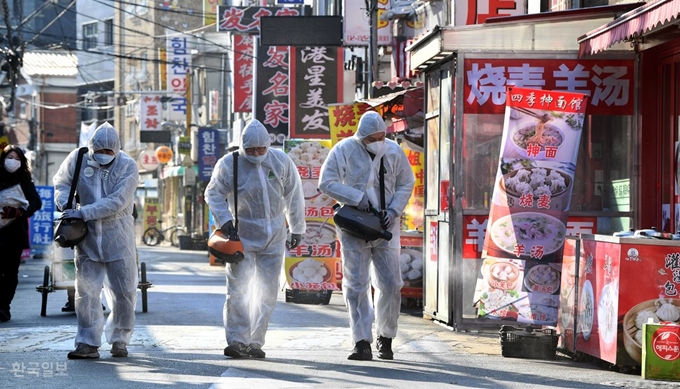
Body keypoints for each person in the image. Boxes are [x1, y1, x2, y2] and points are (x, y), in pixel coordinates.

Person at [205, 119, 306, 359]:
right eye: (251, 150)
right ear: (242, 147)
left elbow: (294, 195)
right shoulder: (229, 164)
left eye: (261, 149)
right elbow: (214, 193)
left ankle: (256, 341)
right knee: (238, 289)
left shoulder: (281, 161)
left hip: (274, 233)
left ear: (268, 145)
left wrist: (297, 227)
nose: (257, 154)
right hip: (242, 235)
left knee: (268, 291)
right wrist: (225, 221)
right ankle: (238, 340)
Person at [318, 111, 415, 361]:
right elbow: (326, 182)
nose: (378, 141)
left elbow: (407, 182)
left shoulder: (393, 151)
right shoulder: (344, 149)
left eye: (381, 136)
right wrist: (356, 197)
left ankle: (386, 336)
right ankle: (361, 341)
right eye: (372, 138)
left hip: (386, 226)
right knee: (356, 284)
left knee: (392, 284)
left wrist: (393, 210)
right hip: (354, 225)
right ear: (361, 137)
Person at [53, 123, 139, 359]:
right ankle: (87, 342)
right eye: (98, 150)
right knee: (86, 292)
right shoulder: (78, 159)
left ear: (117, 150)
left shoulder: (128, 166)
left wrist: (83, 212)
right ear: (91, 147)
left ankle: (120, 339)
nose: (103, 155)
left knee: (124, 292)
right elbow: (61, 182)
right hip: (87, 237)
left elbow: (118, 201)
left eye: (109, 151)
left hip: (118, 236)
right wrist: (66, 204)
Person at [0, 145, 42, 322]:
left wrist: (20, 212)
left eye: (17, 158)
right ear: (3, 158)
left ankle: (4, 306)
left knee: (11, 272)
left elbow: (36, 202)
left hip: (15, 233)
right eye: (10, 157)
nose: (13, 161)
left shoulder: (25, 180)